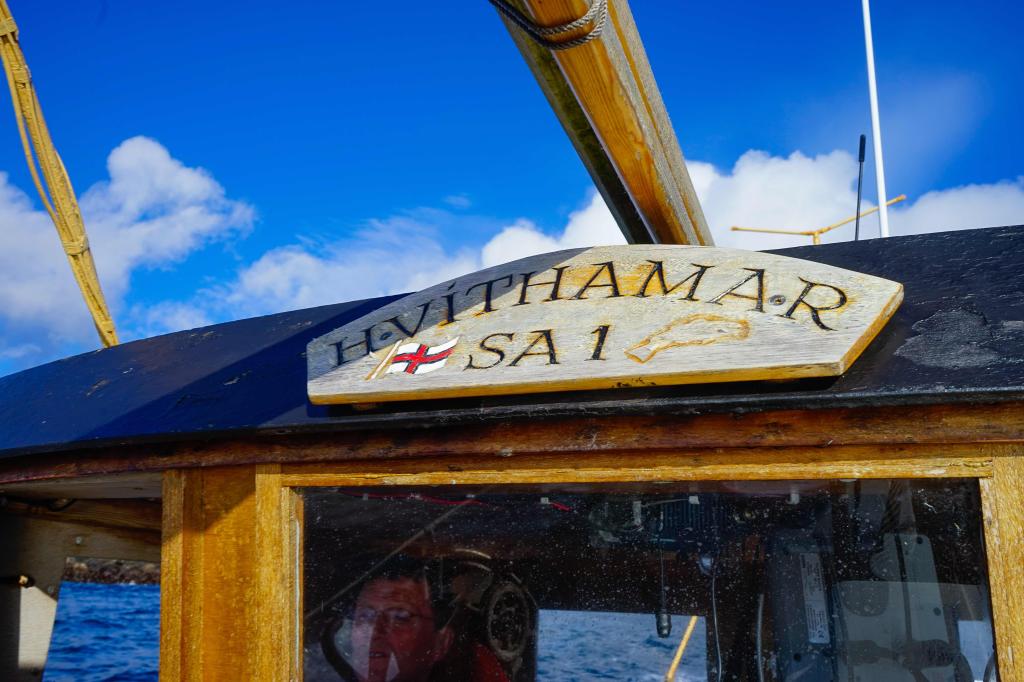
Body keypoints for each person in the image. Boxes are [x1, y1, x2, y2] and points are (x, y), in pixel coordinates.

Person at [324, 557, 511, 682]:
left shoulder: (480, 670)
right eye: (365, 616)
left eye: (399, 617)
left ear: (441, 643)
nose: (374, 631)